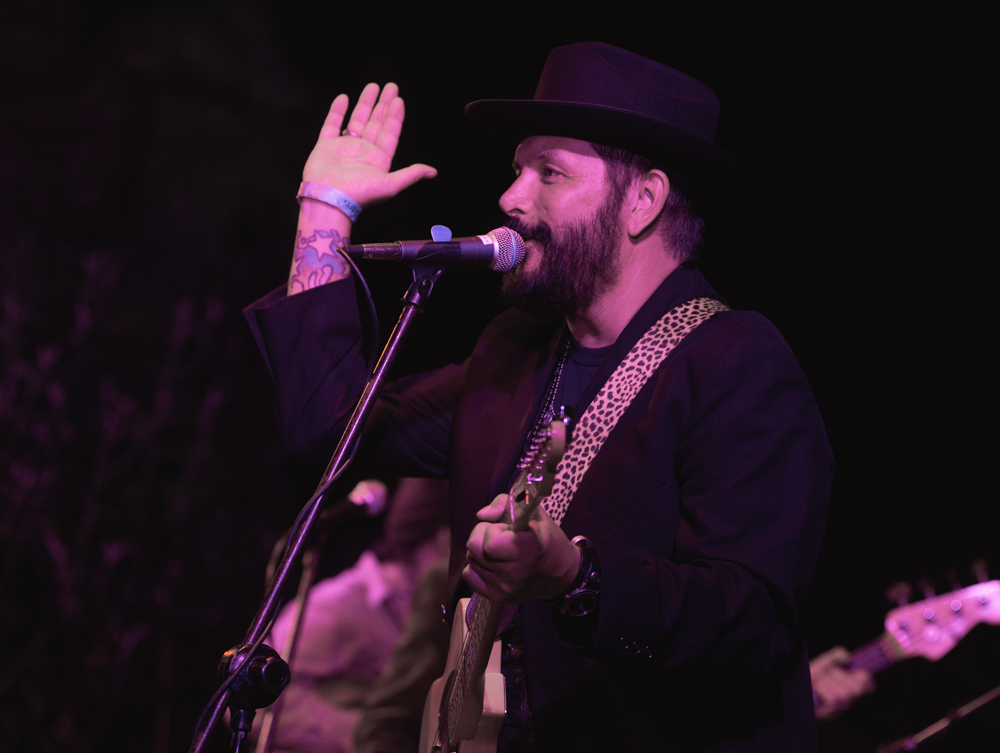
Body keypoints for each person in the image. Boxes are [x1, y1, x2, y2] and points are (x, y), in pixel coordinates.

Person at [245, 42, 834, 752]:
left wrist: (576, 576)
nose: (511, 197)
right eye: (517, 169)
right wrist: (324, 214)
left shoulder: (734, 361)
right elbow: (327, 427)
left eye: (548, 172)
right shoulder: (513, 352)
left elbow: (753, 620)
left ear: (642, 201)